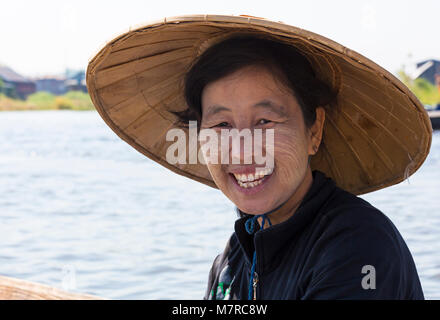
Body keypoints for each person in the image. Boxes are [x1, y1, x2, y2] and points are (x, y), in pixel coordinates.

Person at [86, 15, 432, 300]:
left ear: (314, 130)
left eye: (264, 122)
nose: (241, 150)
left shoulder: (359, 245)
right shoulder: (233, 259)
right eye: (222, 124)